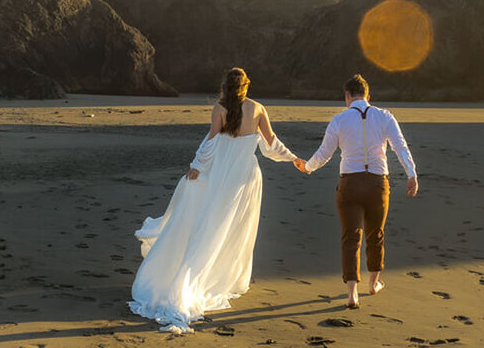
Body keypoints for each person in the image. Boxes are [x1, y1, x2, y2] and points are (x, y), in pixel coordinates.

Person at [130, 67, 304, 333]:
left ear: (226, 86)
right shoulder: (257, 109)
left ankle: (208, 275)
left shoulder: (219, 109)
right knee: (236, 228)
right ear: (246, 86)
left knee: (213, 223)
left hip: (223, 174)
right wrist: (293, 159)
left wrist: (197, 166)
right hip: (246, 177)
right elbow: (272, 144)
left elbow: (211, 142)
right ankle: (224, 278)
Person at [299, 74, 419, 309]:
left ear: (347, 96)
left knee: (350, 238)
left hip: (349, 184)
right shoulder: (385, 116)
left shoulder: (339, 119)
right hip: (377, 184)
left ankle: (352, 293)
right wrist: (411, 174)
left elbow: (324, 154)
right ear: (368, 95)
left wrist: (307, 167)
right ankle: (373, 284)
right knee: (376, 235)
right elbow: (400, 147)